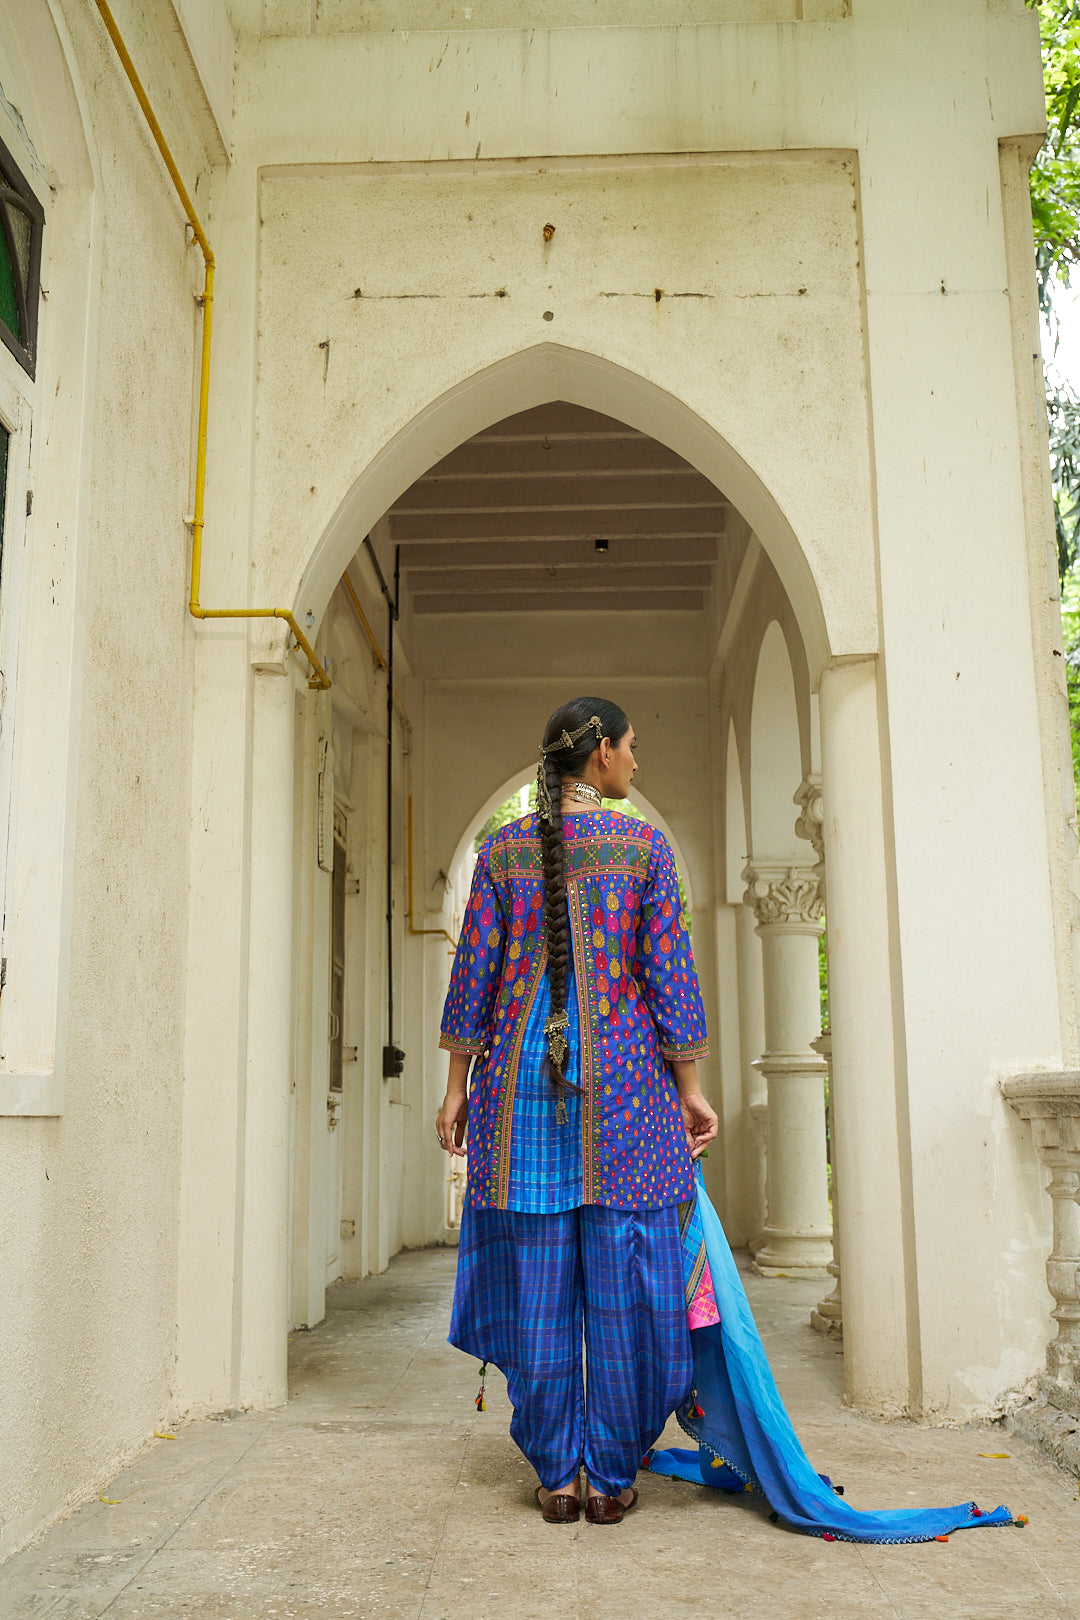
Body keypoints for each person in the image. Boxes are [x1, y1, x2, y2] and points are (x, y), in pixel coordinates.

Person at [435, 696, 718, 1525]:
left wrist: (455, 1089)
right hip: (626, 1090)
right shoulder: (642, 848)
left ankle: (559, 1475)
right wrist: (691, 1088)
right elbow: (670, 980)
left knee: (538, 1283)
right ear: (599, 754)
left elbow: (474, 976)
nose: (636, 763)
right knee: (631, 1284)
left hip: (519, 1094)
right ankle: (613, 1470)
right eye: (631, 749)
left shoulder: (501, 850)